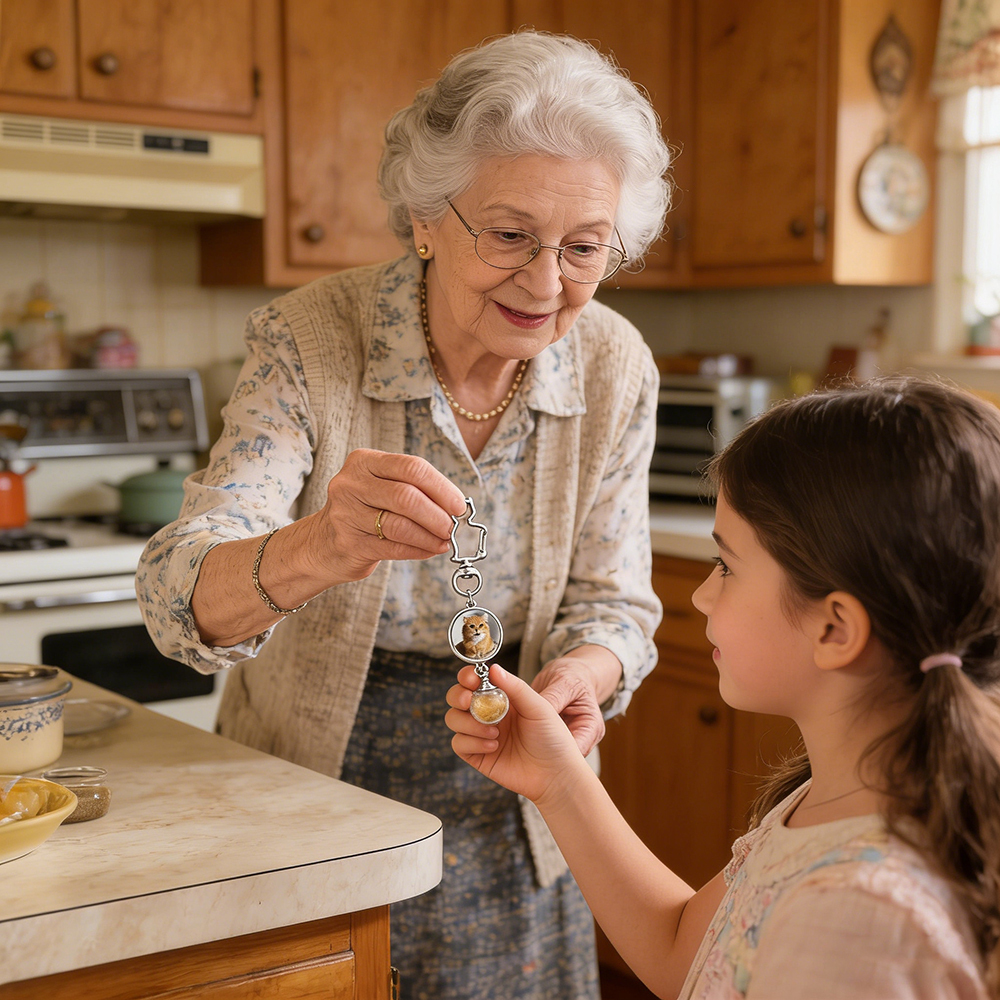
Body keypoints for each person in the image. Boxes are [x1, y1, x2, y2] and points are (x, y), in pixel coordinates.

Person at [136, 29, 670, 1000]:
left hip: (516, 780)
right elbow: (178, 601)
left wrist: (582, 675)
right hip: (311, 787)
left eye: (585, 247)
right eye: (508, 234)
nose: (547, 283)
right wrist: (323, 542)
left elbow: (616, 602)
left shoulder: (613, 363)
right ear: (426, 218)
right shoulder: (309, 339)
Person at [447, 376, 1000, 999]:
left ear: (836, 627)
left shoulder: (855, 921)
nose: (701, 593)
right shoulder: (842, 795)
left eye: (727, 566)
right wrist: (558, 780)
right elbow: (686, 950)